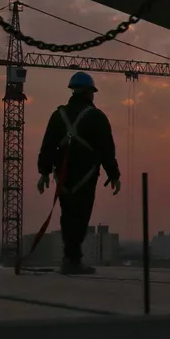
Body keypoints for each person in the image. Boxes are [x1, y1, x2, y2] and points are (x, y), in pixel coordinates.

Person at [36, 71, 121, 275]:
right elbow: (106, 149)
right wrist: (114, 174)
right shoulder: (97, 117)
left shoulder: (58, 115)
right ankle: (73, 260)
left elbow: (48, 146)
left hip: (63, 176)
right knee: (81, 216)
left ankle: (70, 258)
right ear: (90, 92)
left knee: (67, 216)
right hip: (86, 175)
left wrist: (44, 173)